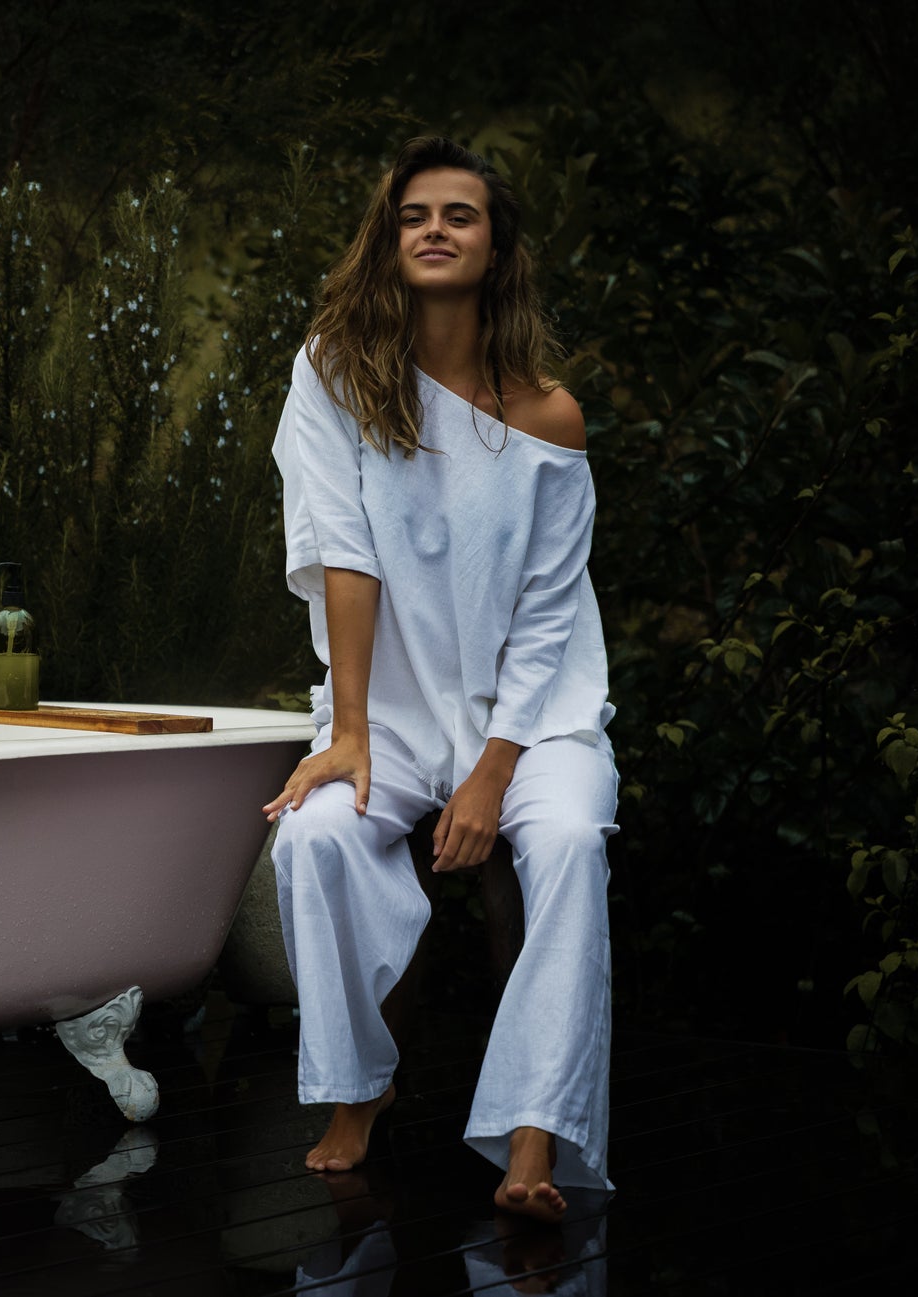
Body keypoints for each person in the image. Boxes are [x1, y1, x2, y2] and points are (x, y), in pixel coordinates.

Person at [262, 136, 619, 1224]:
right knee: (315, 835)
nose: (433, 228)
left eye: (458, 215)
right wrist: (352, 731)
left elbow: (551, 615)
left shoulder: (547, 417)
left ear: (494, 247)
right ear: (389, 236)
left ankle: (530, 1138)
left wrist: (493, 774)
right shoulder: (334, 371)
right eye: (414, 213)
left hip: (538, 720)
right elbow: (342, 554)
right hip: (396, 710)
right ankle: (352, 1092)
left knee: (560, 842)